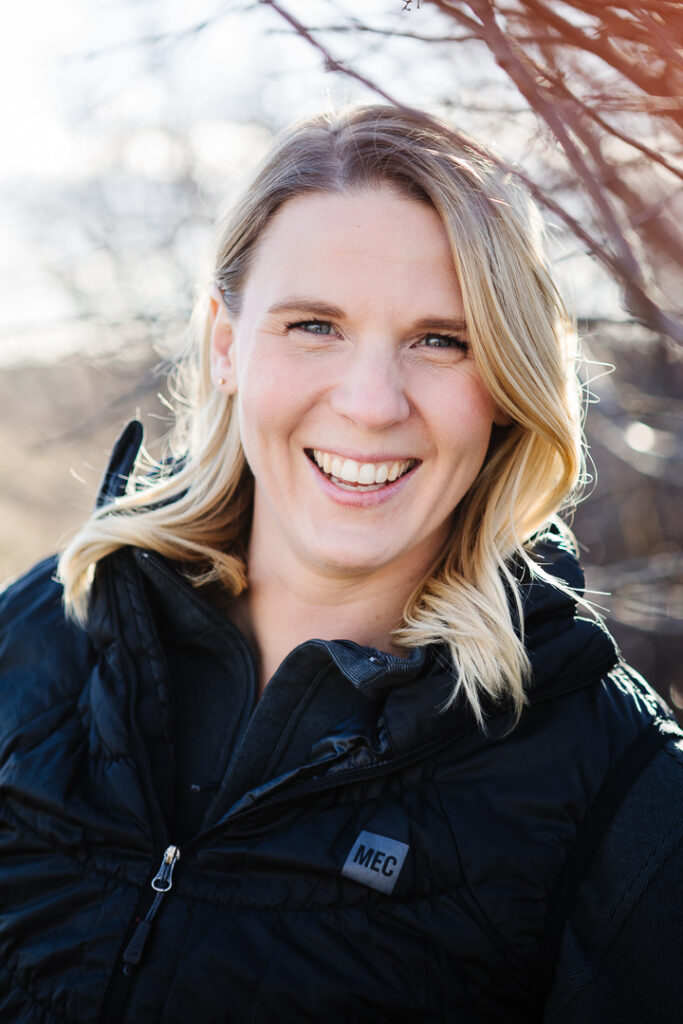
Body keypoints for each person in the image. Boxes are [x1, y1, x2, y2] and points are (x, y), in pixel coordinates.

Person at [0, 105, 680, 1024]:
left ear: (509, 386)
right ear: (226, 344)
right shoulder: (47, 627)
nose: (369, 403)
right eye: (314, 325)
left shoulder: (621, 792)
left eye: (442, 338)